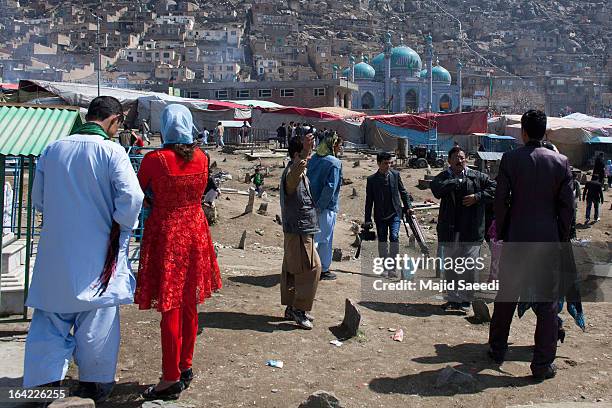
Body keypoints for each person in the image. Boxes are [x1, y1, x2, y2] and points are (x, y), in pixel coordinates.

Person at [23, 96, 144, 402]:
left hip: (56, 252)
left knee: (50, 319)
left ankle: (43, 382)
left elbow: (39, 198)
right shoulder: (112, 152)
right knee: (97, 320)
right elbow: (132, 198)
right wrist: (120, 225)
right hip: (99, 251)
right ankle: (94, 383)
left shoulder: (53, 149)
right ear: (114, 120)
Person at [135, 104, 222, 400]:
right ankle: (185, 366)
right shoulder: (202, 157)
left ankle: (170, 377)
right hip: (196, 231)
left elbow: (138, 192)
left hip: (168, 233)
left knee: (170, 306)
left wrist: (151, 202)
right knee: (189, 303)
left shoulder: (154, 160)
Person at [488, 109, 574, 381]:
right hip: (547, 240)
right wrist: (560, 236)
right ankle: (541, 365)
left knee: (506, 298)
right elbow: (567, 208)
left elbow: (500, 200)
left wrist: (502, 231)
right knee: (547, 305)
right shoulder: (561, 162)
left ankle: (497, 349)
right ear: (545, 132)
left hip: (517, 238)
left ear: (523, 132)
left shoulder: (510, 159)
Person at [430, 146, 496, 313]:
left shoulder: (478, 177)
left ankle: (466, 300)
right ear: (449, 161)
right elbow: (436, 190)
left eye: (462, 157)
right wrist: (456, 182)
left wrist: (477, 197)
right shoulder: (443, 178)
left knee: (469, 266)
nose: (460, 160)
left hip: (472, 230)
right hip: (450, 230)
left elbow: (495, 188)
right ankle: (453, 299)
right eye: (456, 158)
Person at [280, 135, 321, 329]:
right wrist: (305, 153)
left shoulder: (298, 172)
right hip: (297, 230)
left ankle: (291, 307)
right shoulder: (292, 173)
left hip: (301, 229)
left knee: (293, 269)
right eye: (305, 153)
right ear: (297, 155)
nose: (309, 156)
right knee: (311, 269)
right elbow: (296, 172)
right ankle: (299, 309)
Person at [364, 152, 412, 278]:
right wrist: (367, 219)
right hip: (380, 216)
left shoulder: (395, 175)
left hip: (395, 213)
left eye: (390, 163)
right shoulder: (371, 180)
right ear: (378, 163)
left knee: (395, 237)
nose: (388, 165)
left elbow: (403, 192)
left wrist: (408, 208)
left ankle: (393, 268)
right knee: (383, 241)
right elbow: (369, 201)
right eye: (385, 163)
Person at [307, 132, 343, 281]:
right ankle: (321, 269)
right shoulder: (334, 163)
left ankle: (309, 266)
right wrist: (320, 206)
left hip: (310, 204)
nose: (340, 148)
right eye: (339, 145)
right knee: (324, 240)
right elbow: (330, 187)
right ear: (333, 145)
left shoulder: (313, 159)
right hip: (326, 207)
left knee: (312, 238)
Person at [570, 172, 581, 239]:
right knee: (573, 216)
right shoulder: (576, 182)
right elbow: (578, 190)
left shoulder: (568, 181)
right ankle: (573, 235)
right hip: (574, 200)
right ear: (575, 176)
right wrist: (579, 197)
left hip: (568, 200)